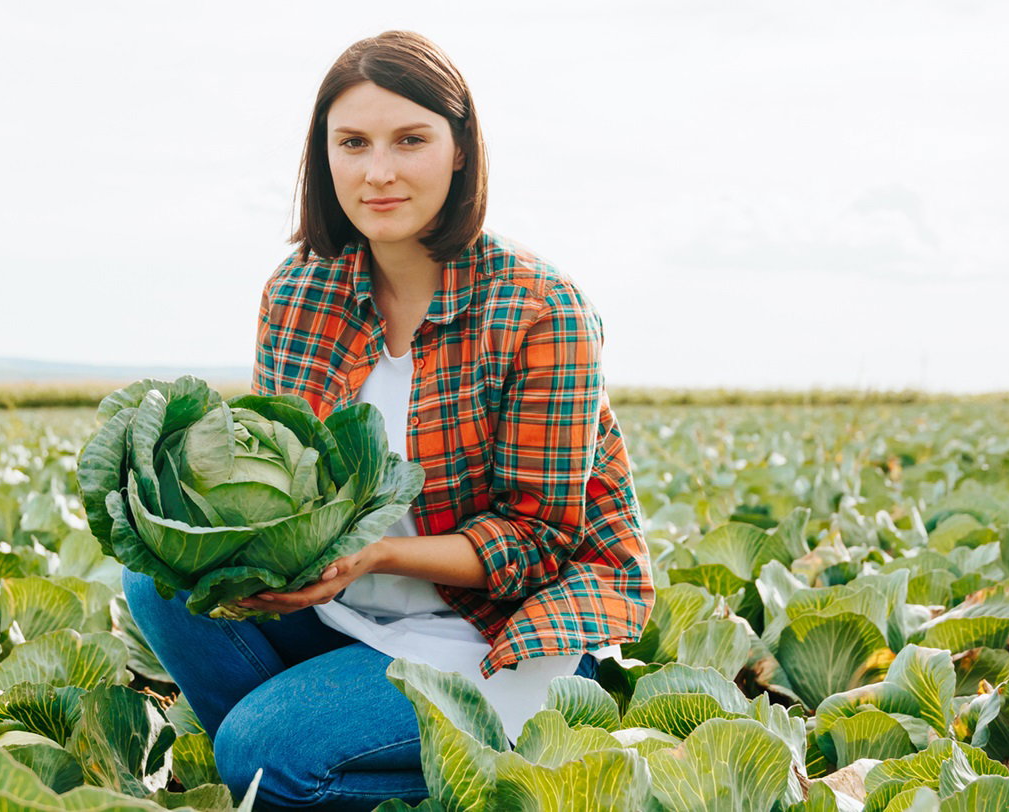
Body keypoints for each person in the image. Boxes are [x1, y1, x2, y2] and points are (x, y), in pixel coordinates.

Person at [122, 29, 654, 811]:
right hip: (343, 613)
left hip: (499, 630)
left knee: (262, 753)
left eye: (411, 140)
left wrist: (375, 556)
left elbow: (541, 543)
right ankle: (314, 750)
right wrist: (261, 550)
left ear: (461, 149)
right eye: (353, 142)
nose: (378, 171)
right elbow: (283, 464)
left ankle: (339, 757)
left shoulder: (541, 307)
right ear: (323, 154)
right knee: (157, 581)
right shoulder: (299, 292)